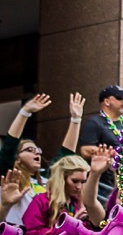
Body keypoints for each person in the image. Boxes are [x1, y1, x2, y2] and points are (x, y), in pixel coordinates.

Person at [0, 92, 85, 225]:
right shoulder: (9, 177)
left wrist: (76, 119)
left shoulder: (46, 179)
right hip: (16, 231)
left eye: (38, 150)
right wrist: (25, 112)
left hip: (42, 233)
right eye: (29, 150)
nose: (37, 153)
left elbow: (66, 156)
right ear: (17, 157)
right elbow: (9, 147)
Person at [19, 148, 111, 235]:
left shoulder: (80, 203)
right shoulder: (41, 200)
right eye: (75, 181)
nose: (79, 187)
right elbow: (31, 234)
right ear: (61, 179)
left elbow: (94, 229)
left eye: (83, 182)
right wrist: (68, 226)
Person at [79, 85, 123, 203]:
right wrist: (109, 154)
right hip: (103, 185)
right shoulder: (95, 122)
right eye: (119, 98)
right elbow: (85, 149)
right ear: (107, 101)